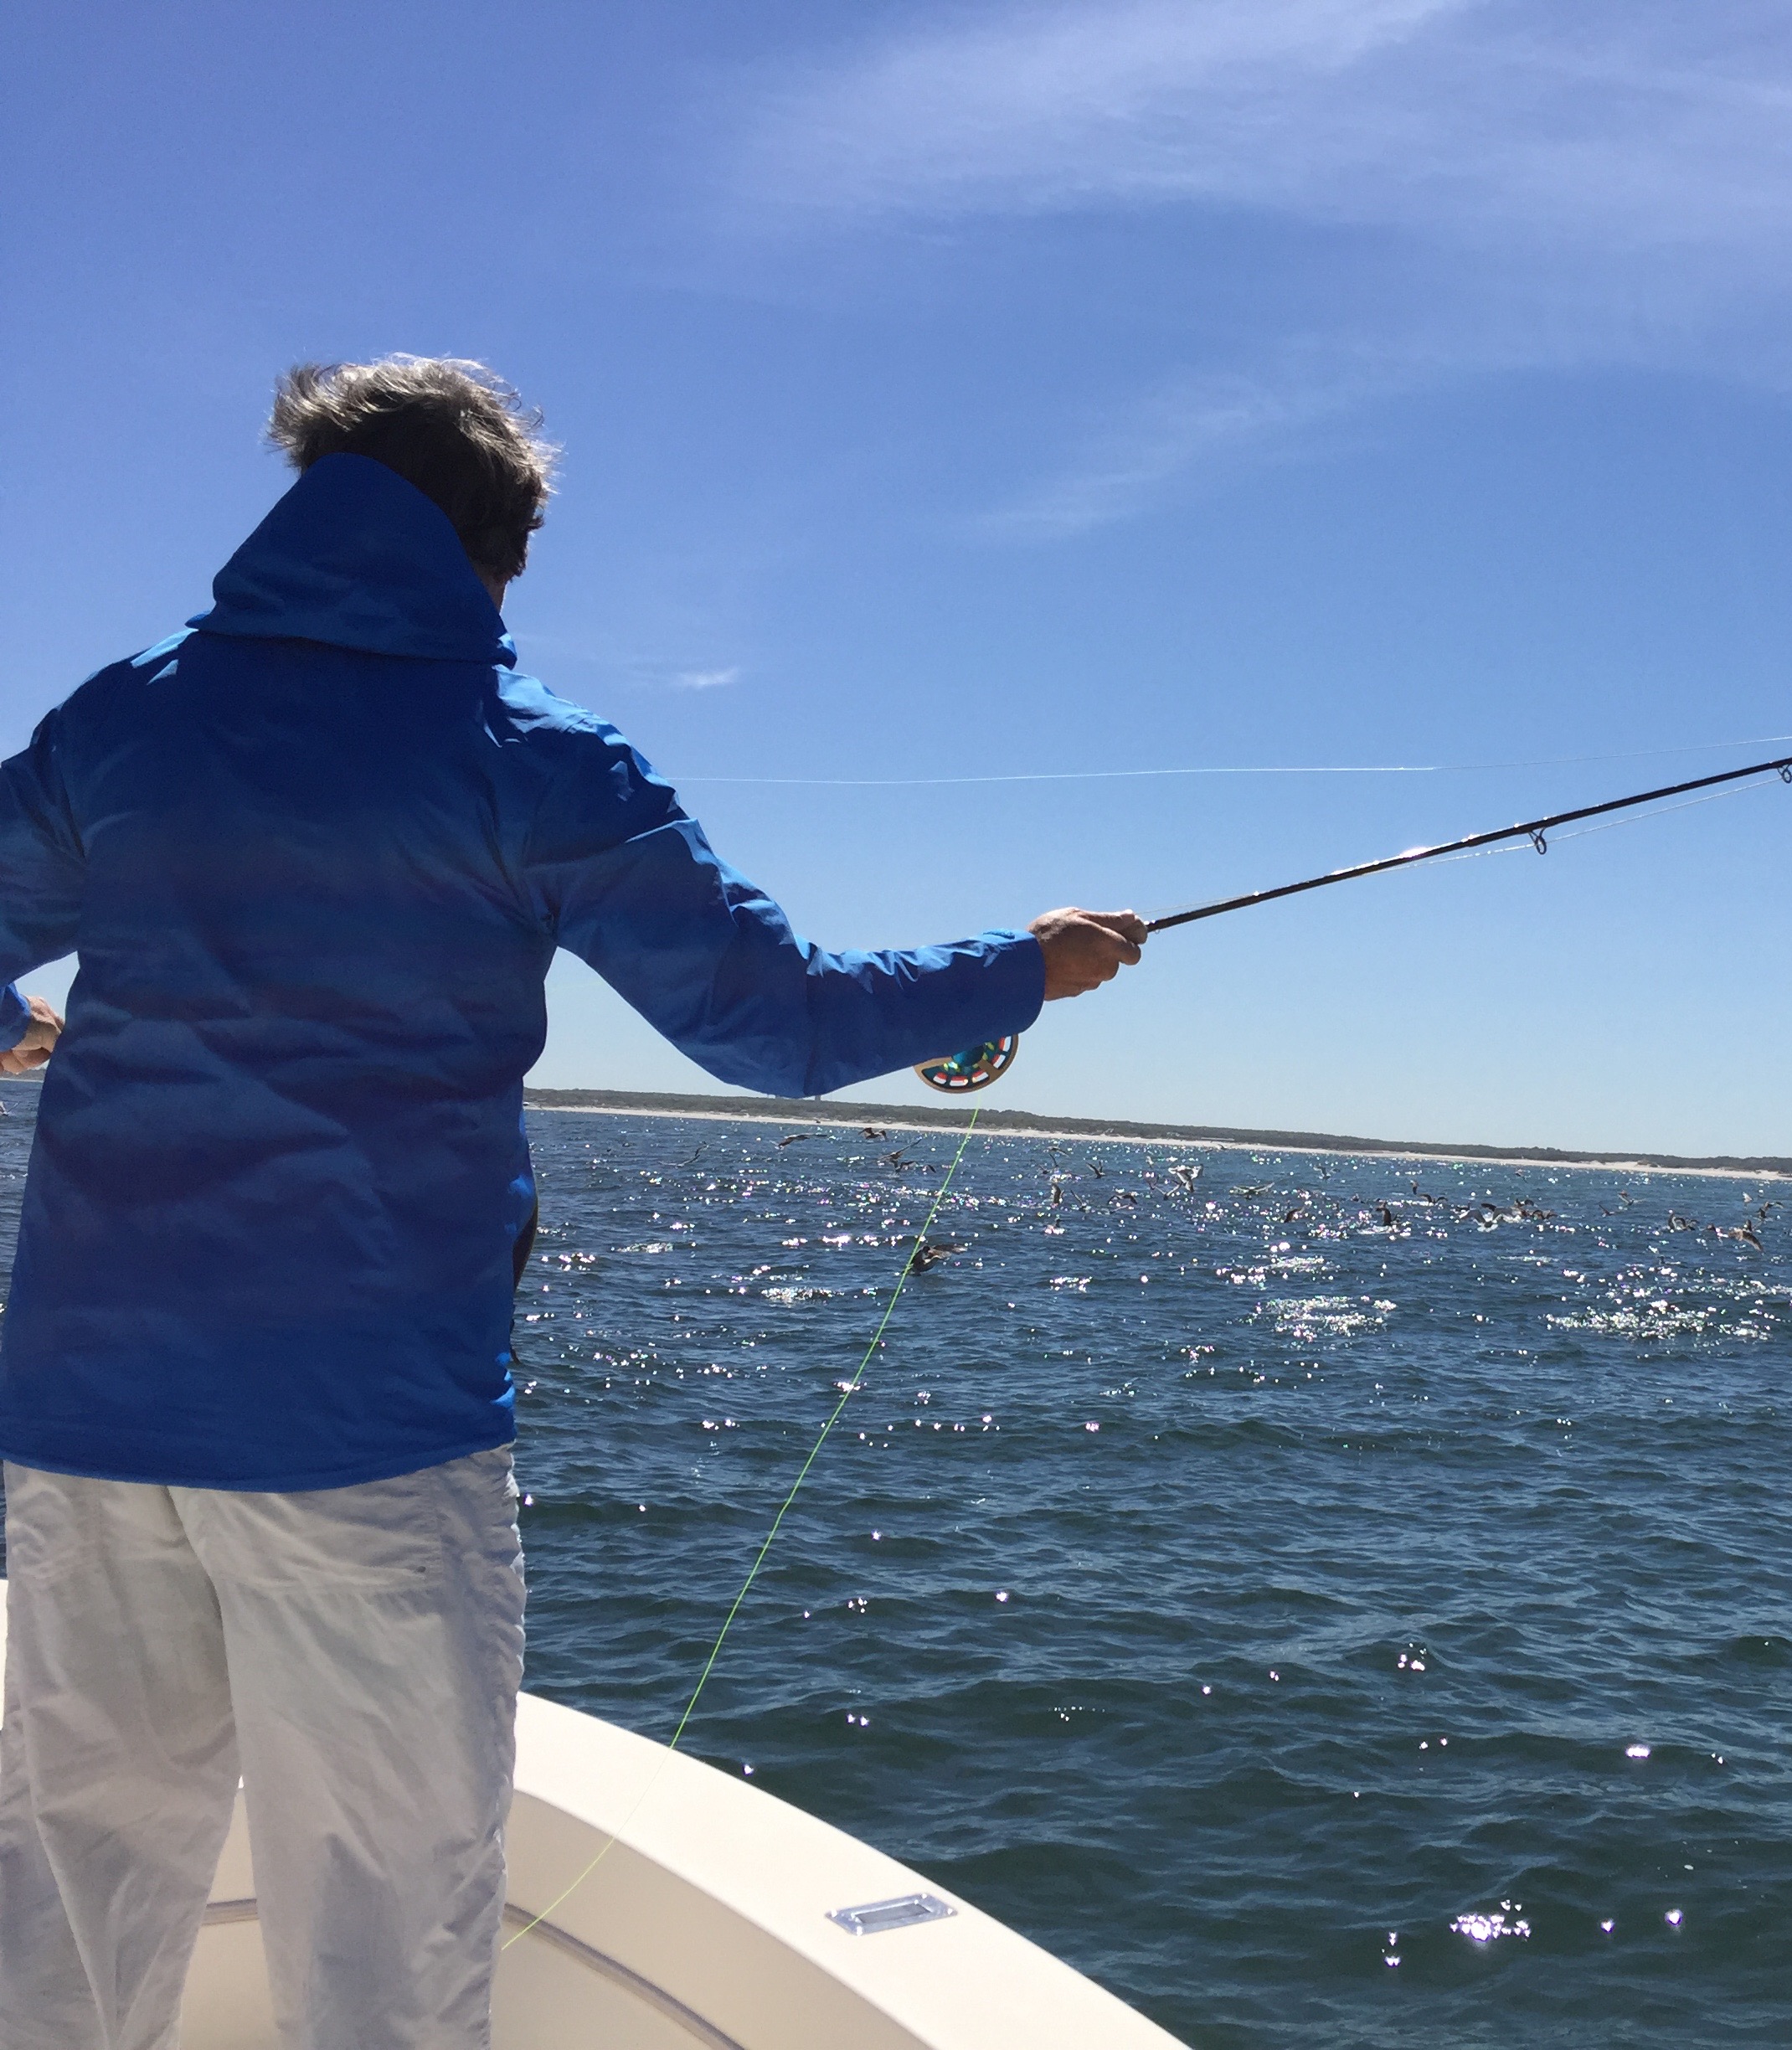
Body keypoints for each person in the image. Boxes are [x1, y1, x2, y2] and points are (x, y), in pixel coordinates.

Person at [0, 356, 1146, 2049]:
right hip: (365, 1433)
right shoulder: (532, 756)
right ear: (500, 551)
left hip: (80, 1413)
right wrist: (1023, 972)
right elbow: (783, 1024)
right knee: (389, 1899)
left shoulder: (130, 715)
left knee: (70, 1874)